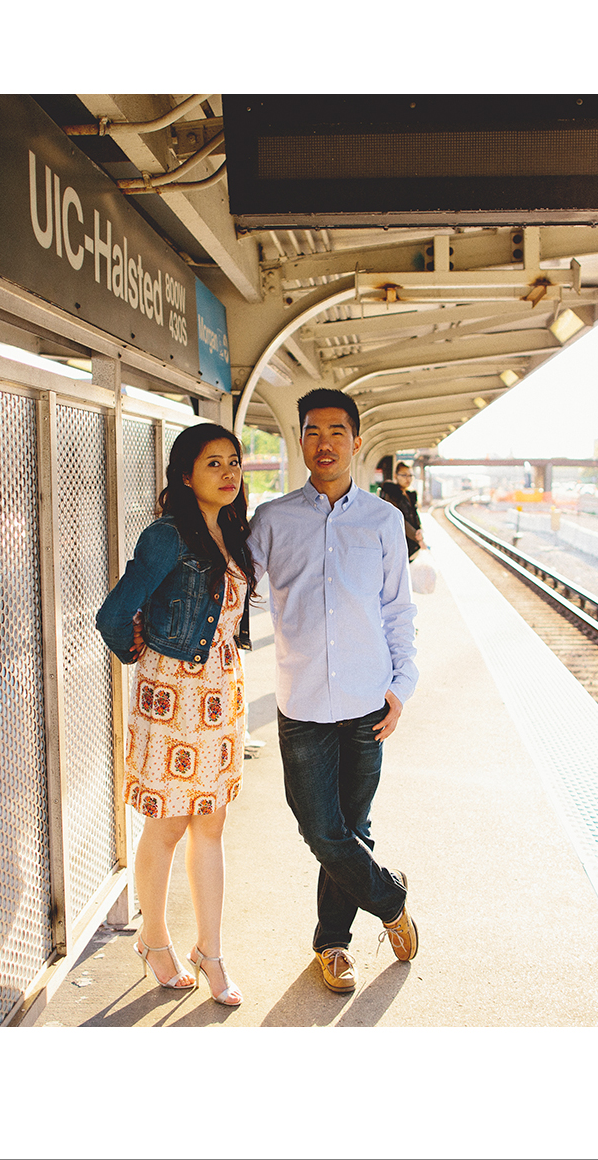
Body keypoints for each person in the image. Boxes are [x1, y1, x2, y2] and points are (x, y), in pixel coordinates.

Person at [248, 389, 419, 995]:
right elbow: (230, 587)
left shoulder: (382, 520)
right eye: (314, 432)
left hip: (369, 702)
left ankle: (333, 945)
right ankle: (388, 897)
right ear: (300, 440)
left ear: (355, 442)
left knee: (354, 827)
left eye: (337, 432)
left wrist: (402, 686)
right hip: (302, 706)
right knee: (323, 829)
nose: (325, 443)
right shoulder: (271, 520)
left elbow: (398, 609)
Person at [96, 423, 253, 1006]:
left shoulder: (234, 533)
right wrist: (142, 650)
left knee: (211, 822)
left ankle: (210, 951)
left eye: (234, 462)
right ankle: (155, 938)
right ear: (185, 476)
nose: (229, 472)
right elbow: (115, 612)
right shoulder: (167, 535)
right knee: (166, 823)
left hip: (221, 692)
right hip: (173, 695)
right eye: (214, 464)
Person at [377, 458, 425, 559]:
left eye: (410, 475)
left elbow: (415, 515)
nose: (408, 479)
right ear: (395, 476)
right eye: (404, 475)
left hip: (410, 543)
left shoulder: (409, 495)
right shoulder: (391, 494)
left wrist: (420, 529)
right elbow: (398, 519)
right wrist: (416, 536)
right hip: (398, 543)